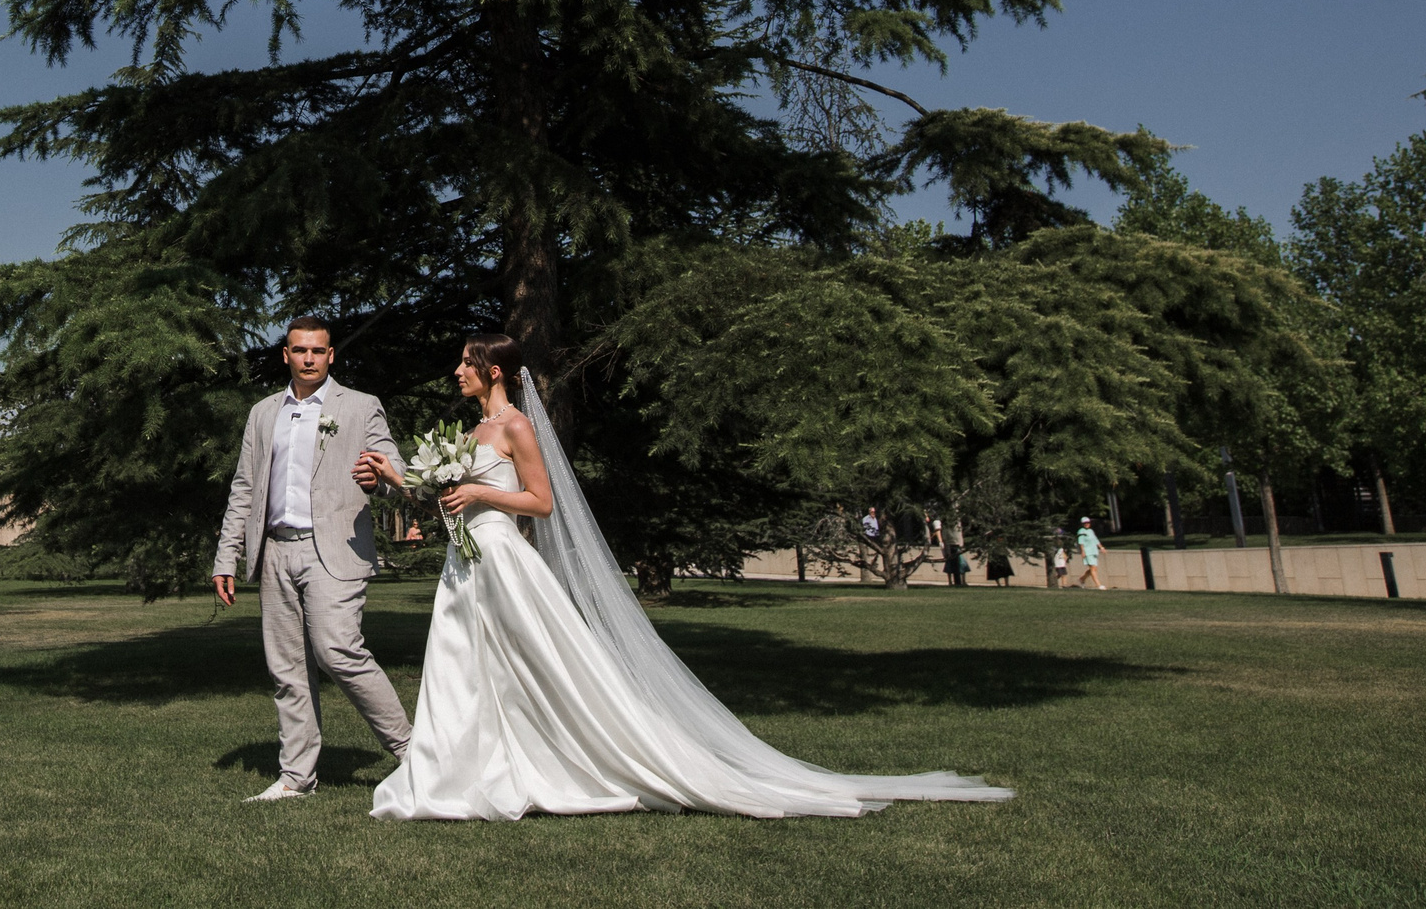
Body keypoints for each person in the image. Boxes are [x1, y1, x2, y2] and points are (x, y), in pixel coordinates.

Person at [357, 334, 1013, 821]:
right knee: (466, 671)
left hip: (503, 562)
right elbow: (442, 490)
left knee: (545, 668)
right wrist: (397, 478)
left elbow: (542, 502)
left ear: (492, 370)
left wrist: (482, 499)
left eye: (466, 364)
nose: (457, 371)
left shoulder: (517, 426)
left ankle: (576, 759)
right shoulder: (472, 429)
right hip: (466, 565)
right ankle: (462, 770)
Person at [211, 315, 413, 803]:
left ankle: (415, 754)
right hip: (276, 550)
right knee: (287, 669)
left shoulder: (361, 407)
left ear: (331, 356)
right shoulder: (262, 413)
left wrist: (379, 479)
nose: (308, 358)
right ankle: (296, 778)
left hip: (335, 550)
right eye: (299, 350)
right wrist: (227, 557)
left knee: (338, 650)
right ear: (286, 355)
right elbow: (244, 487)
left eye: (317, 351)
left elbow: (395, 469)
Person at [1073, 518, 1105, 589]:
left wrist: (1101, 547)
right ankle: (1098, 585)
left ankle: (1082, 579)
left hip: (1094, 551)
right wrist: (1083, 551)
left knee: (1093, 569)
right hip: (1087, 551)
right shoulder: (1081, 531)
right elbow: (1081, 542)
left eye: (1088, 522)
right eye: (1085, 523)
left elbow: (1095, 540)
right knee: (1093, 568)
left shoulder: (1091, 531)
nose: (1087, 524)